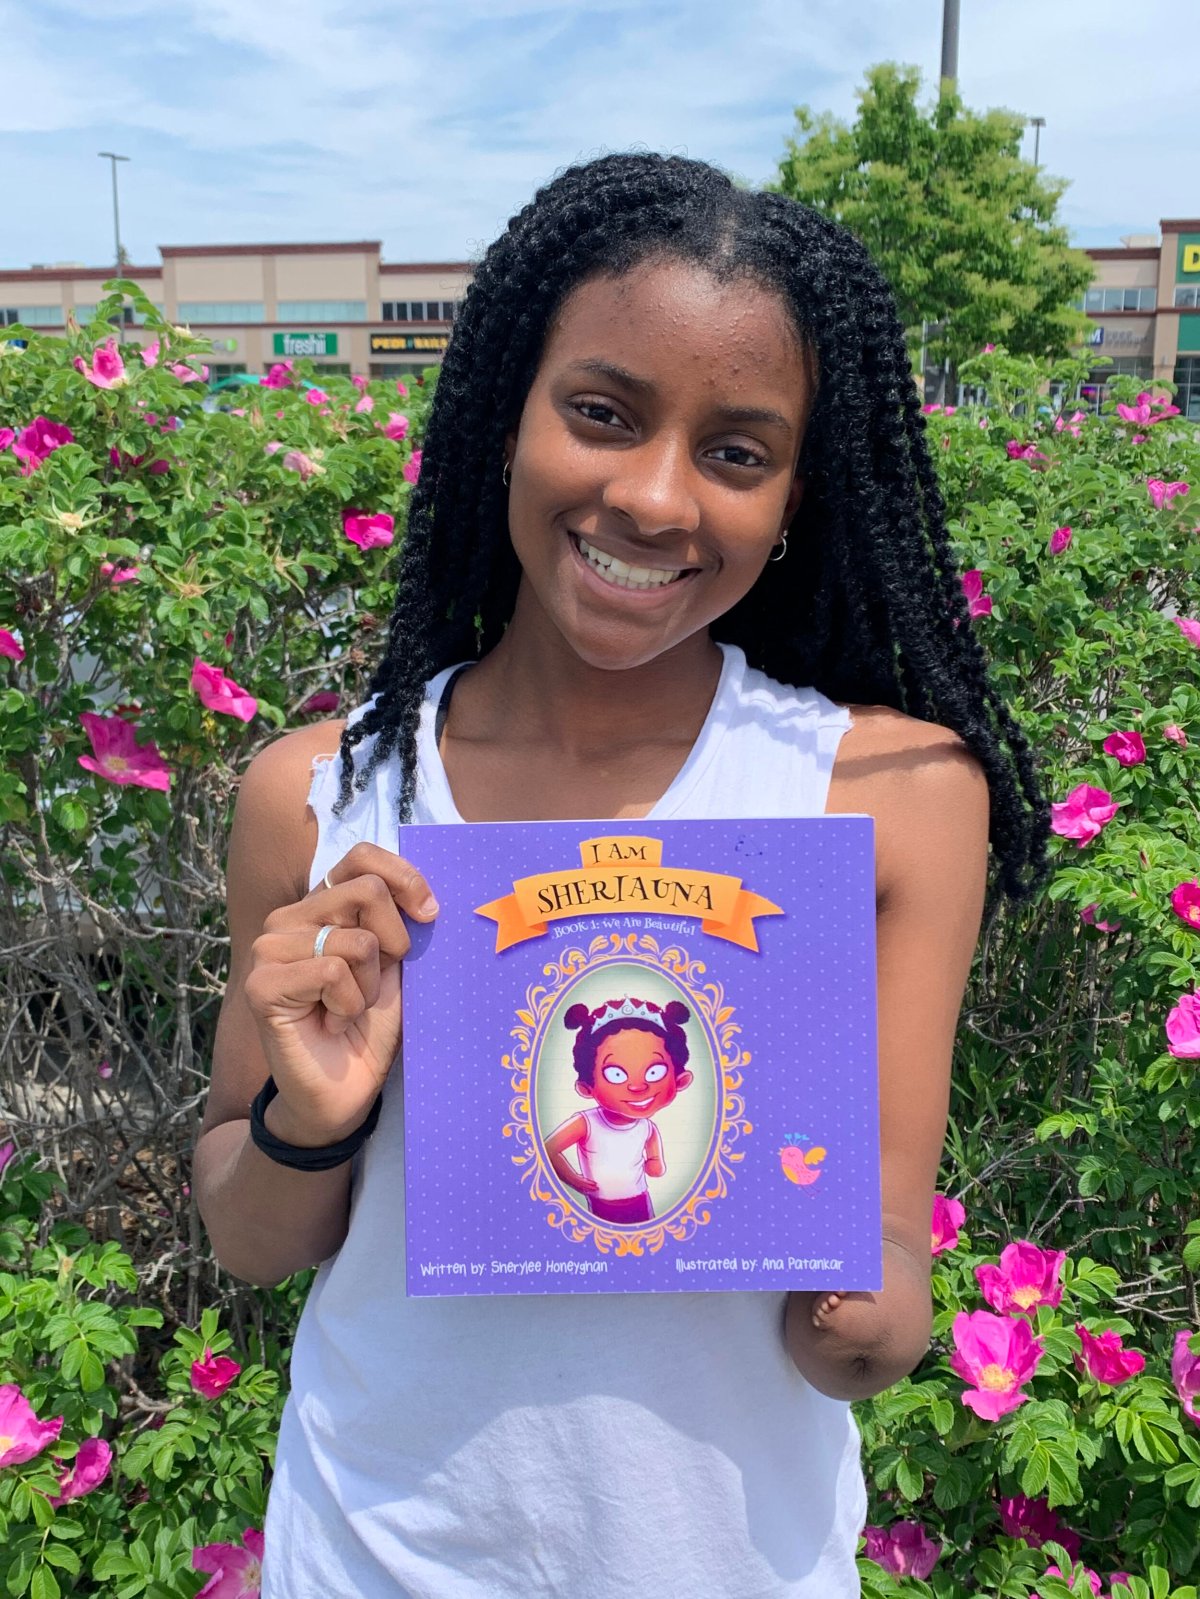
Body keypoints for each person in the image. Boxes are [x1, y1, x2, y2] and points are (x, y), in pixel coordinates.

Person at [194, 152, 1051, 1597]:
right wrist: (314, 1114)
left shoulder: (890, 802)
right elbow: (249, 1232)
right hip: (375, 1553)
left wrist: (874, 1310)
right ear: (504, 418)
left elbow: (881, 1259)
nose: (653, 497)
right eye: (601, 412)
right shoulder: (323, 790)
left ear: (797, 496)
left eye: (736, 450)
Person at [544, 995, 695, 1224]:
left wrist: (655, 1161)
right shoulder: (586, 1123)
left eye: (655, 1072)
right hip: (602, 1204)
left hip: (641, 1199)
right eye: (616, 1074)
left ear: (680, 1080)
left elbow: (654, 1157)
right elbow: (549, 1148)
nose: (638, 1087)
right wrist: (572, 1179)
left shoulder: (647, 1127)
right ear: (587, 1088)